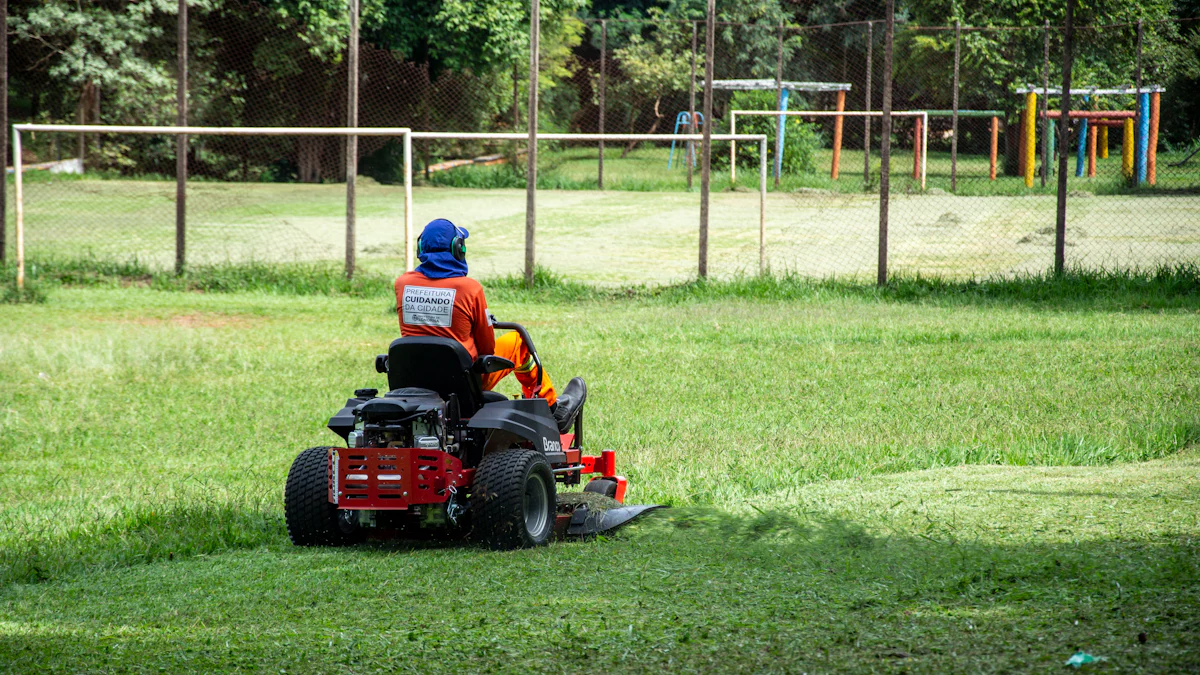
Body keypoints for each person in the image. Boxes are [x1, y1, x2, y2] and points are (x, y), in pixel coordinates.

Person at [394, 218, 585, 433]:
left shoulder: (402, 284)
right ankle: (552, 408)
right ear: (458, 249)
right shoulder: (470, 289)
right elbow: (487, 349)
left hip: (415, 379)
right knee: (516, 341)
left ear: (421, 249)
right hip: (463, 382)